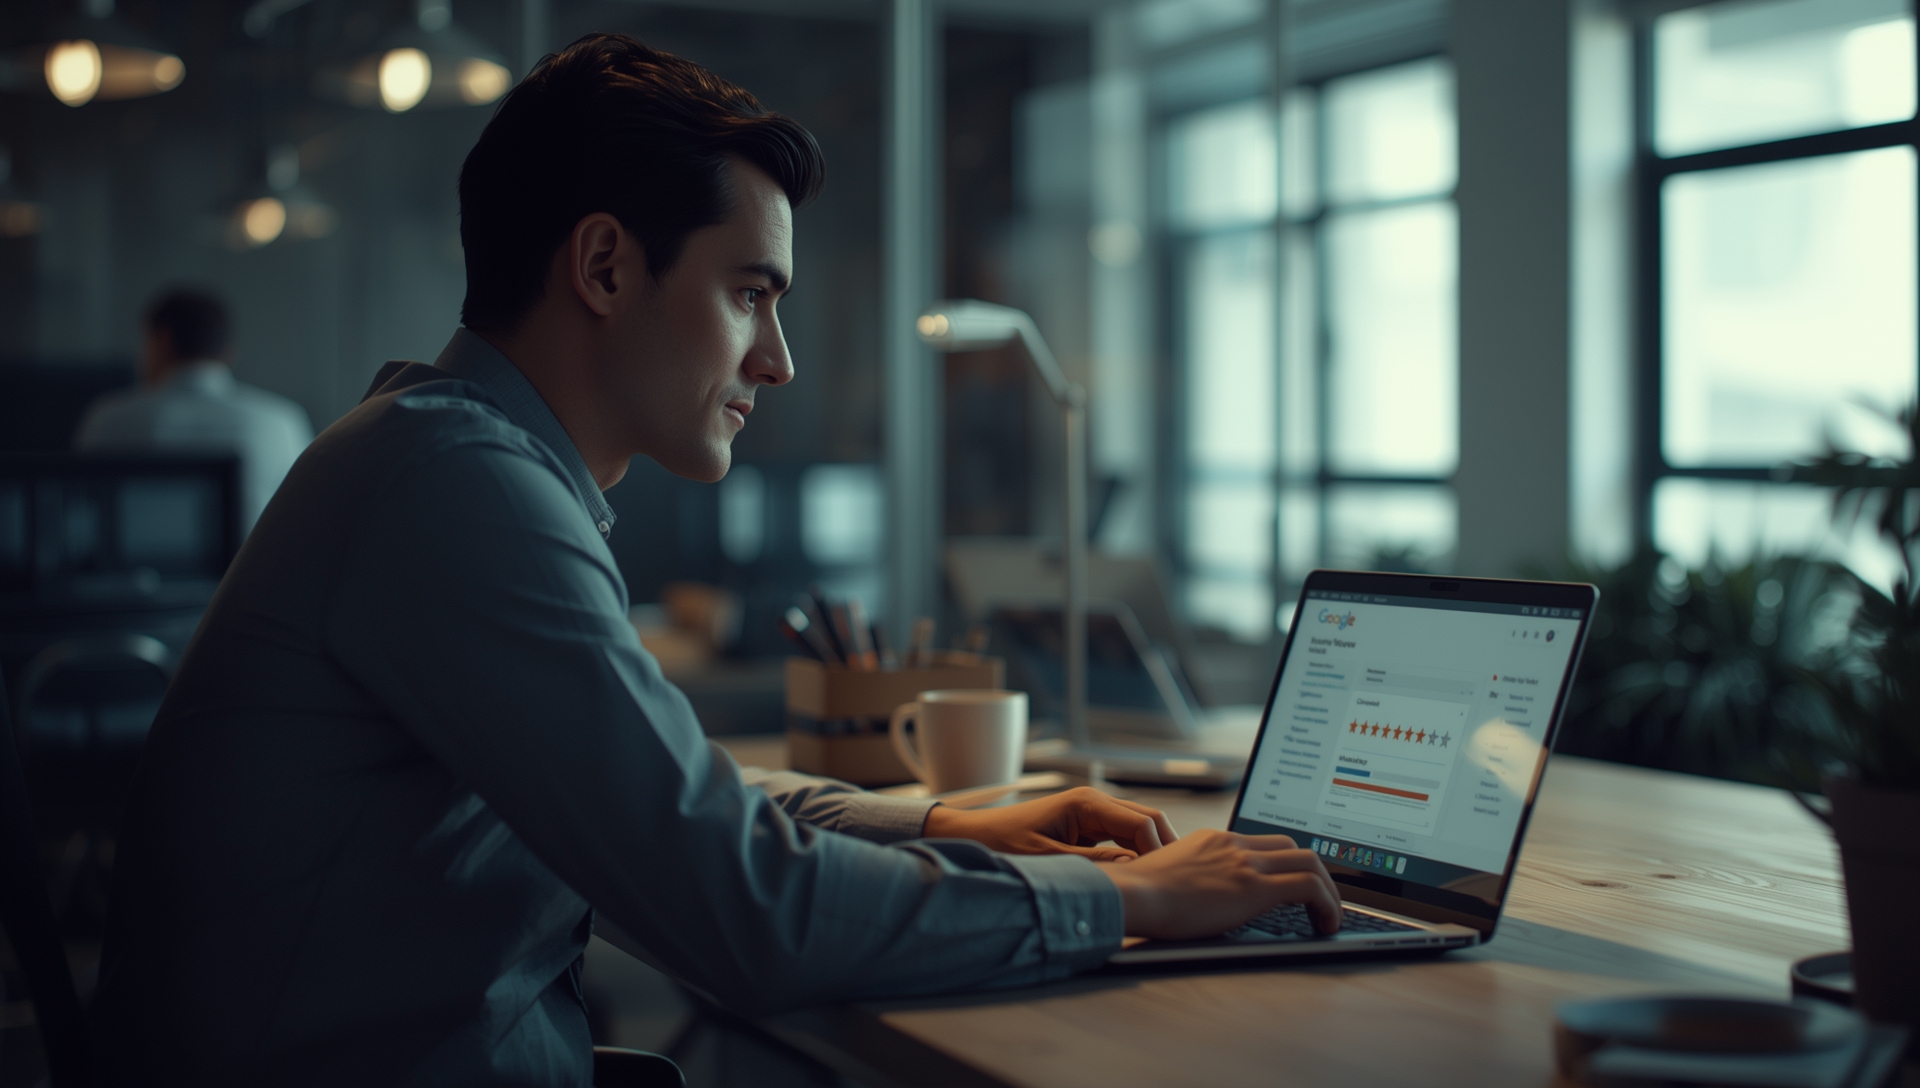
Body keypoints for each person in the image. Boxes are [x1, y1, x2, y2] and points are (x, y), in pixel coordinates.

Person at [91, 34, 1340, 1087]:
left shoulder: (455, 467)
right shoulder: (455, 487)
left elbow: (670, 811)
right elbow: (736, 907)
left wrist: (964, 822)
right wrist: (1133, 901)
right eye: (752, 294)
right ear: (601, 266)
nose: (779, 359)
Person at [74, 288, 314, 532]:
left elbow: (81, 514)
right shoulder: (282, 421)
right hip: (256, 570)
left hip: (141, 568)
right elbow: (305, 516)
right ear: (227, 352)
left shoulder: (108, 420)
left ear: (162, 341)